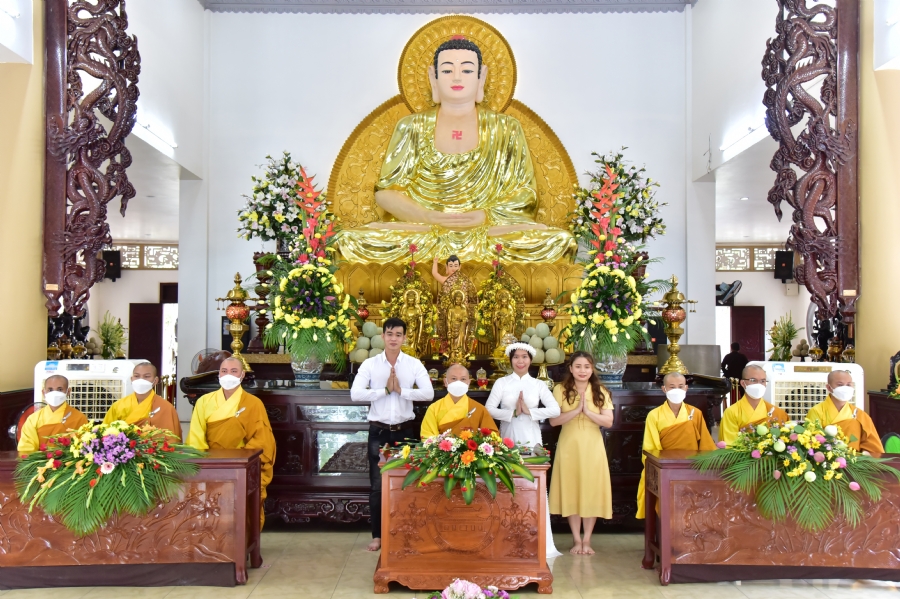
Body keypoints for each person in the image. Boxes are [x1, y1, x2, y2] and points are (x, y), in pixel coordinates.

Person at [334, 37, 575, 264]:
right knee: (351, 241)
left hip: (488, 230)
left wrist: (484, 215)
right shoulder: (412, 127)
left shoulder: (506, 128)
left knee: (555, 241)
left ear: (482, 77)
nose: (457, 77)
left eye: (467, 70)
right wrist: (427, 216)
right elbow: (386, 193)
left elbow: (526, 195)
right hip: (424, 230)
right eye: (447, 70)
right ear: (433, 77)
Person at [351, 317, 435, 552]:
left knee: (408, 483)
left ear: (405, 337)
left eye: (398, 334)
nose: (393, 338)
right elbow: (355, 394)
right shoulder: (370, 364)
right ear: (382, 337)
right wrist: (384, 390)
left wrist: (402, 391)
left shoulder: (413, 364)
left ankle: (407, 531)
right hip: (378, 431)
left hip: (405, 432)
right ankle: (378, 535)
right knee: (378, 485)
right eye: (389, 334)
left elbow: (428, 394)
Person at [486, 342, 562, 558]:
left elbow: (554, 409)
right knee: (507, 483)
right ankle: (505, 538)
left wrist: (529, 411)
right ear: (510, 360)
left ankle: (536, 541)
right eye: (516, 357)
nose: (520, 361)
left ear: (530, 360)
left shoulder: (538, 385)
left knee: (531, 484)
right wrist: (511, 413)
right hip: (508, 436)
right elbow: (489, 409)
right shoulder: (501, 383)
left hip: (531, 437)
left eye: (524, 357)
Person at [187, 357, 276, 528]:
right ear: (218, 375)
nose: (228, 375)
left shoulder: (253, 404)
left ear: (242, 375)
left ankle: (241, 547)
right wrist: (204, 466)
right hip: (211, 467)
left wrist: (239, 460)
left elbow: (261, 441)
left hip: (241, 467)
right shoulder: (204, 402)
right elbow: (196, 438)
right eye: (224, 371)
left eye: (233, 371)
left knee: (241, 510)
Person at [549, 352, 614, 555]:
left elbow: (608, 422)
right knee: (573, 489)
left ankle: (587, 540)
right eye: (578, 366)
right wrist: (576, 410)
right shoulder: (560, 389)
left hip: (592, 447)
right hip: (569, 446)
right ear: (570, 368)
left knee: (590, 490)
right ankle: (576, 539)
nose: (582, 370)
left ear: (592, 368)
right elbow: (554, 421)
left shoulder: (600, 390)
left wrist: (588, 412)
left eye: (586, 366)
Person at [636, 373, 716, 519]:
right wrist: (662, 467)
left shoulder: (695, 413)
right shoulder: (654, 415)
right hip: (665, 468)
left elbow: (706, 445)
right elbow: (651, 448)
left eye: (680, 386)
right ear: (664, 389)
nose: (676, 390)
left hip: (691, 467)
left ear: (686, 388)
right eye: (672, 387)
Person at [805, 370, 884, 454]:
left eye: (849, 384)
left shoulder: (859, 414)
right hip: (827, 460)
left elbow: (871, 446)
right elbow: (811, 443)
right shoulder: (816, 411)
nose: (845, 388)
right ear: (828, 387)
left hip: (855, 461)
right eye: (840, 385)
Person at [103, 362, 182, 438]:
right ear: (132, 379)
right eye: (137, 376)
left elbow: (171, 440)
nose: (141, 380)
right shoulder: (118, 406)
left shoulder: (166, 407)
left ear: (155, 381)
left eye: (147, 376)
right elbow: (105, 433)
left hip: (154, 451)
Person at [421, 364, 498, 438]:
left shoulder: (479, 409)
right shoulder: (434, 408)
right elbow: (428, 437)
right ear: (445, 382)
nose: (458, 382)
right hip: (442, 449)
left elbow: (491, 435)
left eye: (463, 379)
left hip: (470, 451)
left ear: (469, 383)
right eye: (454, 379)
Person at [18, 375, 89, 453]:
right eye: (50, 389)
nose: (54, 393)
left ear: (68, 392)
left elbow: (85, 447)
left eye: (60, 389)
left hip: (68, 464)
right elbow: (26, 450)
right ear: (44, 392)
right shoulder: (33, 419)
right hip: (39, 463)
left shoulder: (79, 417)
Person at [719, 364, 788, 445]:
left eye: (763, 381)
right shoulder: (731, 412)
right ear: (743, 383)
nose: (759, 384)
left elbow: (784, 441)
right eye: (753, 380)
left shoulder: (777, 412)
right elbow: (729, 445)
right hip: (741, 457)